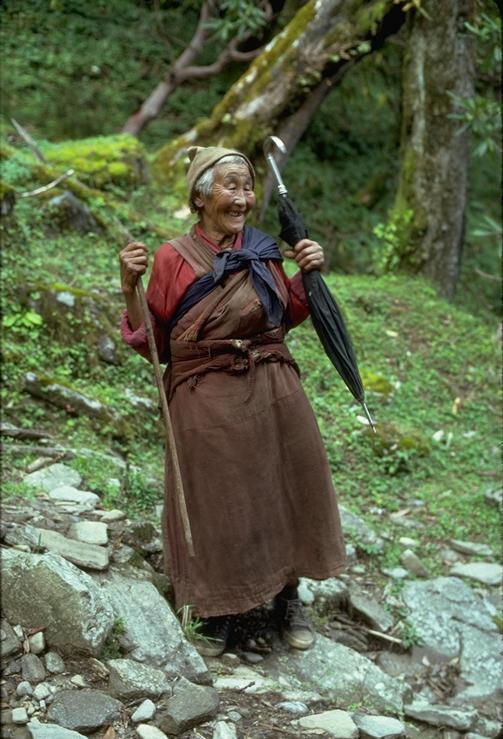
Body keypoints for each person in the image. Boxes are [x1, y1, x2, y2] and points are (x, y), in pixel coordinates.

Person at [119, 146, 346, 657]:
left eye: (247, 187)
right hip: (206, 390)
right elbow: (153, 337)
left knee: (291, 481)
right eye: (230, 186)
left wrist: (305, 274)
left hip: (272, 381)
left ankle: (289, 596)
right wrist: (128, 285)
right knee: (216, 497)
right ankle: (217, 607)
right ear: (200, 198)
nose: (243, 198)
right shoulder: (173, 258)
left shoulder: (264, 249)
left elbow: (282, 315)